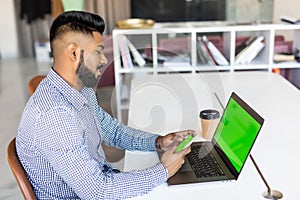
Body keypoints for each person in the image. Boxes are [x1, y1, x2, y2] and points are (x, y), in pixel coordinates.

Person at [16, 11, 195, 199]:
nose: (103, 60)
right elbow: (98, 191)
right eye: (98, 52)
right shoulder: (55, 116)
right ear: (74, 53)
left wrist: (158, 142)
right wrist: (163, 170)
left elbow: (112, 131)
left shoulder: (80, 89)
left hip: (102, 181)